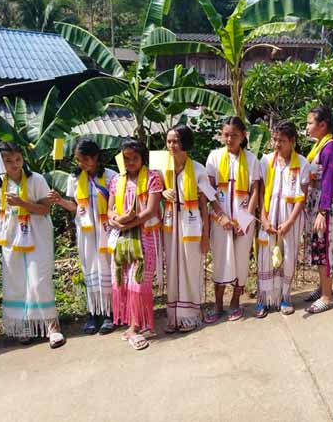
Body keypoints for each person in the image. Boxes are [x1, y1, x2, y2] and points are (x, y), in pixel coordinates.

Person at [0, 142, 65, 348]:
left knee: (39, 281)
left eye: (18, 159)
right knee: (16, 282)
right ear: (0, 163)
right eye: (8, 161)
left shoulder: (36, 179)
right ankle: (26, 327)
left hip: (37, 235)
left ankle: (52, 327)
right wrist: (0, 210)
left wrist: (21, 203)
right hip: (11, 237)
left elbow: (45, 209)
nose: (15, 164)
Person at [48, 139, 118, 335]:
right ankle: (93, 313)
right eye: (78, 160)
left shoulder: (111, 176)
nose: (81, 163)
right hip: (85, 232)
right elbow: (74, 206)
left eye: (84, 159)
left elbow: (116, 204)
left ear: (95, 157)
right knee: (90, 270)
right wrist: (59, 200)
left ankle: (109, 313)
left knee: (107, 268)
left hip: (105, 230)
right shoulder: (74, 179)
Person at [107, 140, 163, 350]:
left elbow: (151, 210)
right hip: (121, 238)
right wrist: (115, 220)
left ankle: (136, 327)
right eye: (126, 158)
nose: (130, 162)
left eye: (135, 158)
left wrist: (128, 223)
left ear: (142, 158)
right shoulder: (116, 180)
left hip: (145, 236)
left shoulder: (152, 178)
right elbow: (110, 209)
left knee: (138, 282)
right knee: (123, 281)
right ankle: (132, 323)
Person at [204, 117, 260, 323]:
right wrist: (221, 215)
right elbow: (210, 190)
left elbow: (255, 191)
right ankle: (218, 304)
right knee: (220, 259)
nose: (229, 139)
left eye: (234, 135)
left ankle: (235, 302)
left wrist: (245, 220)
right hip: (220, 219)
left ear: (243, 136)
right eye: (226, 135)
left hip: (244, 219)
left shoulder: (252, 160)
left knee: (241, 260)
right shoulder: (214, 157)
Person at [162, 126, 215, 333]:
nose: (171, 146)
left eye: (175, 141)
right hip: (170, 225)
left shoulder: (199, 170)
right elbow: (152, 192)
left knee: (191, 268)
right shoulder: (161, 167)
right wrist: (163, 191)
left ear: (185, 142)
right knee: (172, 269)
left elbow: (204, 205)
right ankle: (173, 317)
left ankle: (190, 316)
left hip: (191, 224)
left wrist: (206, 236)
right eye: (168, 141)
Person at [256, 121, 310, 318]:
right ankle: (263, 299)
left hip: (291, 216)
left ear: (292, 140)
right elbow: (261, 192)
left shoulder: (302, 163)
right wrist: (263, 219)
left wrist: (289, 223)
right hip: (269, 214)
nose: (277, 144)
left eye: (282, 140)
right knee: (265, 256)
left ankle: (285, 297)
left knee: (288, 255)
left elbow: (302, 198)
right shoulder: (266, 161)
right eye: (275, 140)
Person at [303, 105, 333, 313]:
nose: (307, 127)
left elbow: (329, 180)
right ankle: (322, 288)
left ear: (323, 125)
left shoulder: (330, 148)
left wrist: (322, 211)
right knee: (318, 245)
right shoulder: (320, 145)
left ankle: (328, 295)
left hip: (325, 202)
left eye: (310, 123)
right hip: (317, 199)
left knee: (325, 245)